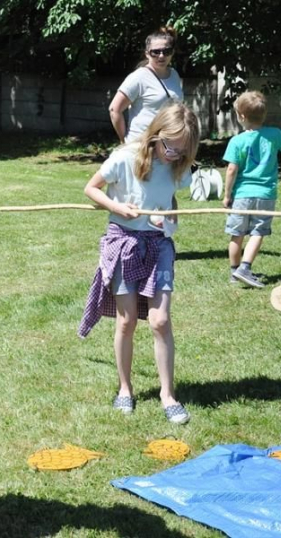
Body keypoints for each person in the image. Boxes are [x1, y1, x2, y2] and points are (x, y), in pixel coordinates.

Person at [79, 102, 199, 425]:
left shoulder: (179, 167)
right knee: (127, 321)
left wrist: (168, 218)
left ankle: (167, 394)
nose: (172, 155)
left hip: (158, 246)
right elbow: (91, 188)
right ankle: (125, 389)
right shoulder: (125, 158)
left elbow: (169, 200)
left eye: (181, 151)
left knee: (160, 320)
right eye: (169, 147)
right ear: (156, 135)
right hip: (124, 243)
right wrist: (118, 209)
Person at [222, 90, 281, 288]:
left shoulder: (236, 141)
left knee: (236, 234)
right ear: (263, 115)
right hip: (265, 195)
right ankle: (244, 268)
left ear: (242, 116)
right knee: (258, 232)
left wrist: (227, 194)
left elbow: (231, 169)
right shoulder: (274, 134)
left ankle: (235, 271)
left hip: (242, 195)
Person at [109, 26, 183, 144]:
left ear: (172, 52)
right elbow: (114, 109)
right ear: (147, 54)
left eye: (166, 51)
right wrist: (124, 141)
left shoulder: (174, 75)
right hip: (142, 146)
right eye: (156, 52)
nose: (161, 56)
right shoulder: (139, 77)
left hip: (168, 147)